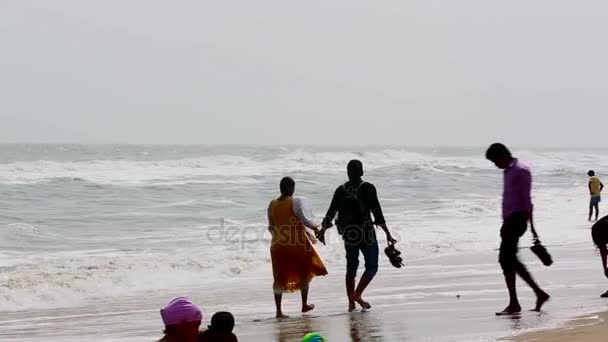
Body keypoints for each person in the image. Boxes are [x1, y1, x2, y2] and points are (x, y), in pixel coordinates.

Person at [319, 160, 396, 312]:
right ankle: (357, 294)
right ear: (362, 172)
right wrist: (387, 233)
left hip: (349, 234)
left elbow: (330, 213)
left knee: (351, 268)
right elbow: (377, 212)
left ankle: (351, 303)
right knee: (372, 266)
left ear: (348, 172)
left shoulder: (340, 190)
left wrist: (323, 231)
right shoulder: (368, 187)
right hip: (366, 233)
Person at [485, 143, 550, 315]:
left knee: (506, 260)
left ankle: (516, 303)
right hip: (509, 221)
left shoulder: (520, 170)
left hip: (516, 220)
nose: (495, 164)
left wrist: (533, 229)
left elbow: (527, 202)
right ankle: (537, 293)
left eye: (494, 160)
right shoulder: (508, 171)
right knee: (509, 260)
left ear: (502, 155)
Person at [267, 177, 328, 318]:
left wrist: (278, 238)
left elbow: (271, 226)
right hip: (296, 245)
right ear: (290, 188)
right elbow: (305, 220)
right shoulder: (294, 202)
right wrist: (316, 229)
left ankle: (279, 311)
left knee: (278, 278)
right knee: (305, 273)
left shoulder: (272, 204)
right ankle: (304, 305)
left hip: (277, 246)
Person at [591, 215, 608, 297]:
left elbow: (603, 251)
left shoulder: (598, 231)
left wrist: (605, 269)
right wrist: (605, 268)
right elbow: (603, 252)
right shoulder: (597, 230)